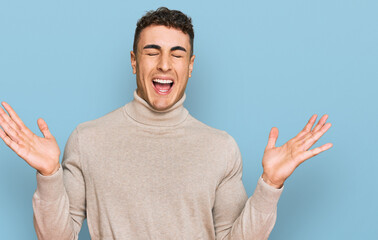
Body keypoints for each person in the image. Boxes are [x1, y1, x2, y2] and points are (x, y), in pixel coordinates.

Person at [0, 7, 332, 240]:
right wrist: (49, 175)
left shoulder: (220, 147)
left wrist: (270, 185)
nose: (164, 64)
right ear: (133, 61)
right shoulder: (87, 140)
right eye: (151, 51)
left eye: (177, 53)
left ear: (190, 66)